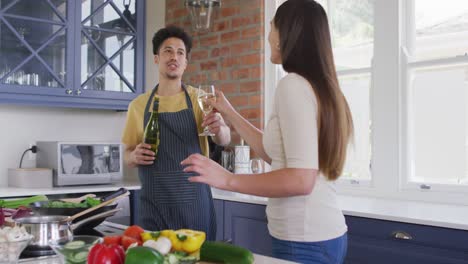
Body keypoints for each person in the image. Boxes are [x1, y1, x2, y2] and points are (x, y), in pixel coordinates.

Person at [181, 0, 353, 263]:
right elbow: (276, 155)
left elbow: (300, 179)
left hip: (304, 240)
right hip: (319, 235)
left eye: (272, 27)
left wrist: (227, 179)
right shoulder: (321, 87)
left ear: (287, 34)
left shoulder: (292, 86)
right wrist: (230, 113)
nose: (268, 35)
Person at [122, 25, 231, 240]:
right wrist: (133, 156)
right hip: (153, 205)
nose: (174, 57)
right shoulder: (139, 105)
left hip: (194, 202)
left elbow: (224, 138)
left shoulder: (200, 99)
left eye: (180, 52)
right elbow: (127, 154)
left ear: (185, 63)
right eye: (168, 51)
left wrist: (220, 128)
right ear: (156, 59)